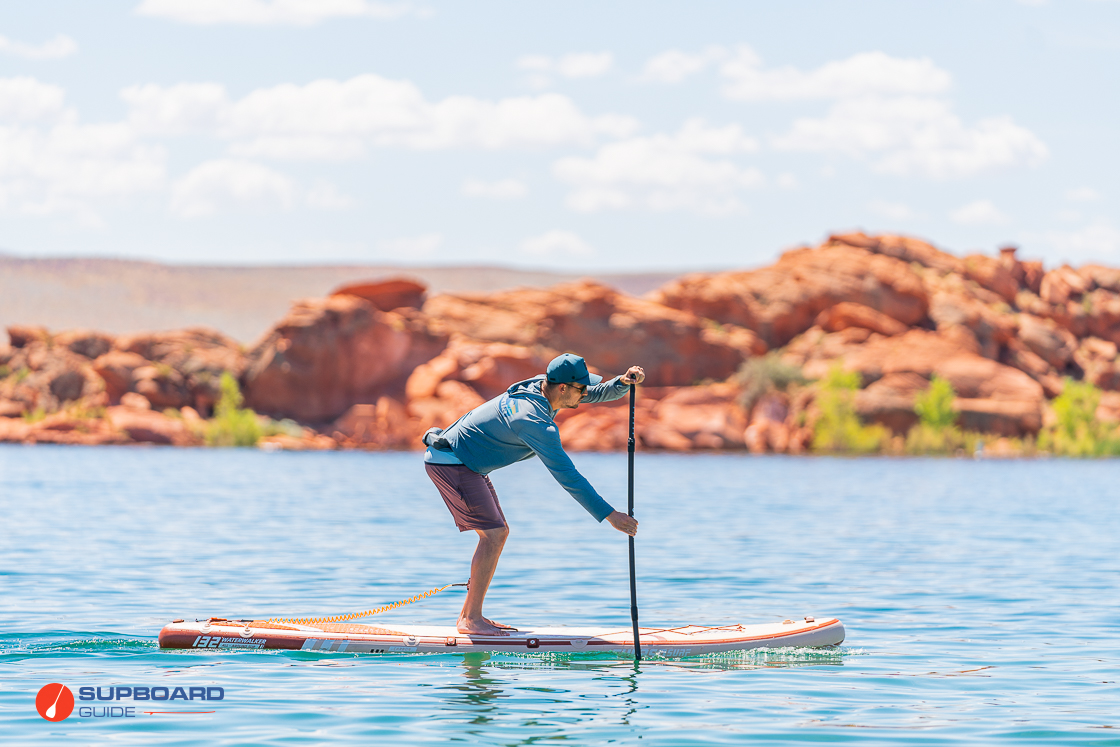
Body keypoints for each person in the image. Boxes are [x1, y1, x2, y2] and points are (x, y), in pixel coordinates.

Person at [423, 353, 644, 635]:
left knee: (497, 533)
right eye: (581, 388)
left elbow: (598, 392)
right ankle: (470, 621)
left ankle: (470, 615)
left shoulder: (543, 387)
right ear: (562, 388)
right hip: (451, 463)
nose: (586, 393)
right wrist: (610, 515)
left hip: (465, 462)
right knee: (494, 534)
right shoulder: (534, 422)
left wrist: (622, 382)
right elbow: (568, 476)